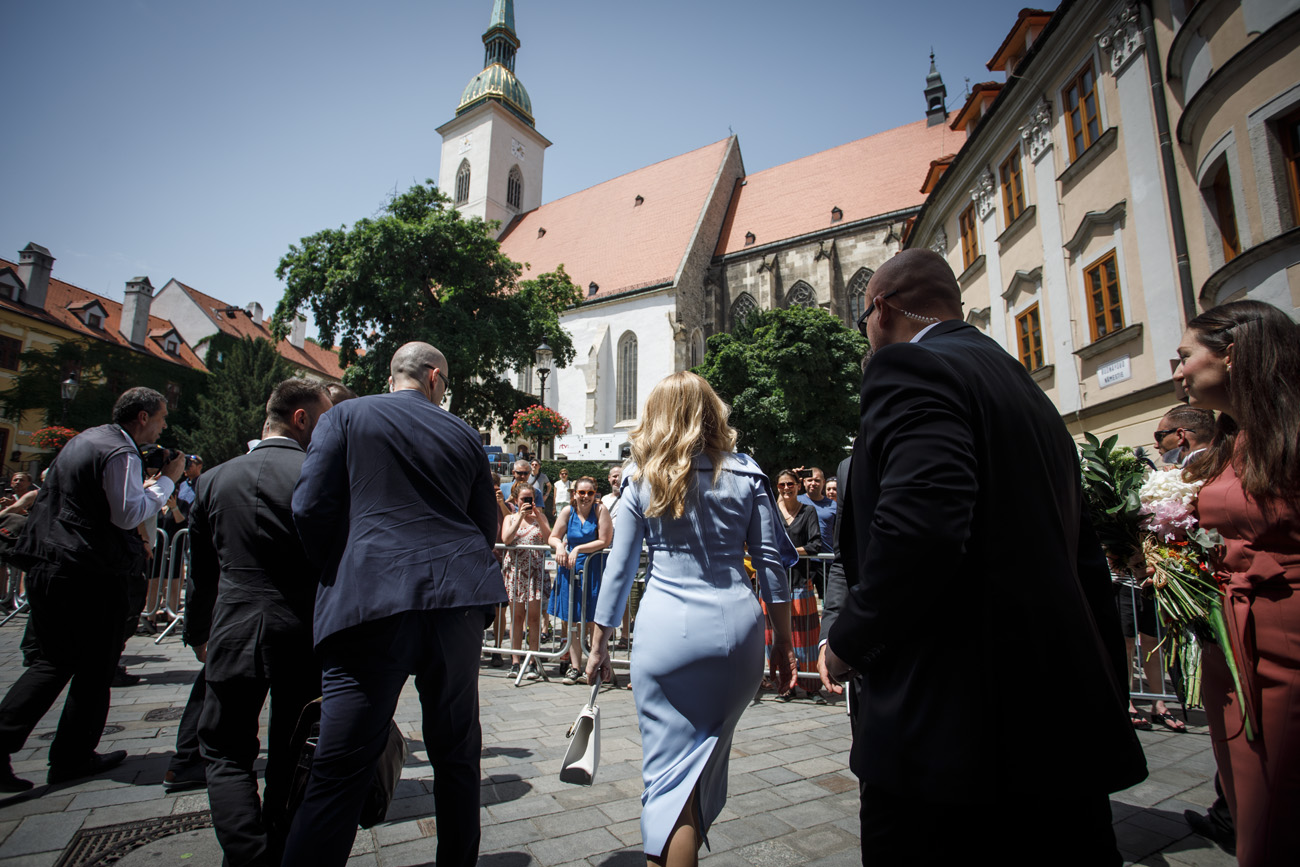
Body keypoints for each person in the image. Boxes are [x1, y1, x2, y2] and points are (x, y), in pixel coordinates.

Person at [824, 249, 1146, 865]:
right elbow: (1079, 553)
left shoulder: (911, 367)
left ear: (882, 309)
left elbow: (921, 530)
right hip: (1058, 721)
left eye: (864, 319)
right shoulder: (1025, 388)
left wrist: (848, 642)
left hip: (950, 733)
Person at [283, 342, 505, 866]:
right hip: (455, 603)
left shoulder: (344, 417)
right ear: (433, 377)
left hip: (370, 602)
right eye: (445, 384)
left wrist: (341, 567)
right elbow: (484, 527)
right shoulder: (464, 434)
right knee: (456, 757)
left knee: (339, 769)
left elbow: (310, 506)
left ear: (392, 376)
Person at [585, 371, 797, 867]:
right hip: (736, 633)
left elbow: (619, 570)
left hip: (665, 634)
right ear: (711, 411)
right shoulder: (747, 473)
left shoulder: (642, 477)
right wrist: (785, 641)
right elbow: (771, 565)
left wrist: (598, 644)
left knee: (668, 784)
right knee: (697, 773)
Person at [0, 387, 185, 792]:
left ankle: (51, 750)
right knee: (94, 666)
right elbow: (128, 513)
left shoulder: (83, 440)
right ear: (141, 417)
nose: (164, 424)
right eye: (161, 416)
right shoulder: (118, 451)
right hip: (88, 573)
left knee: (54, 662)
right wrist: (168, 482)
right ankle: (72, 755)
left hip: (53, 563)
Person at [184, 379, 334, 866]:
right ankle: (279, 844)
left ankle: (249, 855)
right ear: (302, 419)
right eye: (325, 418)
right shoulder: (318, 473)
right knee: (293, 756)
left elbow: (201, 573)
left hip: (232, 629)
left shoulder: (213, 479)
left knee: (225, 753)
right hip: (301, 630)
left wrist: (198, 632)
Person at [1174, 299, 1300, 866]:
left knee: (1279, 807)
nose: (1177, 371)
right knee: (1251, 799)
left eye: (1185, 356)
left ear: (1231, 353)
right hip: (1230, 639)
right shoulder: (1229, 442)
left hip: (1285, 633)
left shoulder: (1288, 432)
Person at [548, 476, 612, 685]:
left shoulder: (600, 511)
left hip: (592, 568)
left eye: (590, 493)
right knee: (571, 619)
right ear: (574, 493)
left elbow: (604, 540)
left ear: (596, 494)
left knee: (593, 619)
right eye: (581, 492)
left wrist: (577, 548)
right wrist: (559, 546)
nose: (585, 497)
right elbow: (553, 535)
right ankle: (575, 667)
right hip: (570, 569)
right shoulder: (568, 511)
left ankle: (594, 665)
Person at [770, 469, 821, 699]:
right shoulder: (773, 512)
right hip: (775, 582)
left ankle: (811, 687)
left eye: (790, 484)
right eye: (782, 485)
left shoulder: (808, 511)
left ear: (798, 486)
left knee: (806, 638)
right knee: (777, 635)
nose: (786, 489)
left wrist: (788, 553)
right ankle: (785, 685)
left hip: (801, 582)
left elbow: (815, 545)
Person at [501, 481, 551, 679]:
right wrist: (520, 516)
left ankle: (533, 659)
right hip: (516, 574)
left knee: (534, 618)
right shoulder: (510, 518)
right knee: (516, 618)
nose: (529, 502)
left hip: (535, 574)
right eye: (524, 499)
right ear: (516, 499)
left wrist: (539, 518)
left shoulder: (541, 517)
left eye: (532, 499)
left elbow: (549, 539)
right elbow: (506, 539)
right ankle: (515, 661)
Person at [796, 466, 835, 598]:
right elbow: (779, 508)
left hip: (825, 559)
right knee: (802, 601)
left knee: (829, 600)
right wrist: (793, 477)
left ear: (823, 482)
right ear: (804, 482)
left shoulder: (833, 506)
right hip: (803, 558)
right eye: (810, 480)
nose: (813, 483)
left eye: (817, 480)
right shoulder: (796, 501)